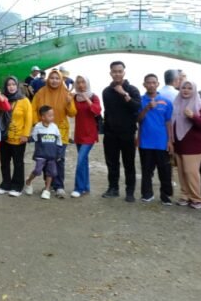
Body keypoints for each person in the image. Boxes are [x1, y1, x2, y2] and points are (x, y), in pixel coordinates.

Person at [31, 69, 76, 198]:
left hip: (60, 132)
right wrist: (37, 124)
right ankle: (48, 185)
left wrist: (69, 102)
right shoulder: (41, 92)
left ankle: (59, 186)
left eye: (57, 78)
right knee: (45, 158)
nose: (54, 81)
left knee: (59, 159)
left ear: (61, 80)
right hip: (44, 132)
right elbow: (33, 109)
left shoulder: (66, 93)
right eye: (52, 78)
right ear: (48, 79)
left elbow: (72, 113)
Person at [101, 61, 142, 202]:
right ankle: (113, 188)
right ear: (110, 73)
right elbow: (107, 112)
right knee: (112, 163)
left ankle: (130, 192)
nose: (117, 74)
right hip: (111, 134)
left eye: (120, 71)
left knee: (129, 163)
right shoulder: (106, 92)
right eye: (114, 71)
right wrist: (105, 129)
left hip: (127, 133)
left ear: (124, 72)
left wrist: (124, 94)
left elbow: (137, 107)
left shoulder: (133, 90)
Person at [172, 81, 201, 209]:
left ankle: (196, 198)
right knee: (181, 172)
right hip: (179, 143)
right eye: (184, 87)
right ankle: (185, 195)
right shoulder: (176, 103)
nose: (186, 90)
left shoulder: (200, 106)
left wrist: (193, 116)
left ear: (194, 90)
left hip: (194, 145)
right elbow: (172, 123)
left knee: (191, 172)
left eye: (189, 88)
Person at [137, 73, 174, 205]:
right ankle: (147, 194)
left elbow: (168, 122)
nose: (151, 85)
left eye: (154, 82)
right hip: (145, 142)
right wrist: (147, 108)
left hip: (161, 142)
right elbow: (138, 119)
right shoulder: (140, 101)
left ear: (158, 84)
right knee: (146, 170)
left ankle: (166, 195)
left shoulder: (166, 102)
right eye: (148, 82)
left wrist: (170, 141)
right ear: (144, 85)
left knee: (165, 170)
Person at [0, 76, 32, 196]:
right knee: (4, 162)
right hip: (4, 136)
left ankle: (17, 186)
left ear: (17, 85)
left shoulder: (24, 100)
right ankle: (5, 184)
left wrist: (25, 134)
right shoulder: (3, 99)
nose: (11, 87)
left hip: (18, 137)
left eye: (13, 84)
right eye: (9, 85)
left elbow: (29, 119)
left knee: (18, 162)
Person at [72, 75, 101, 198]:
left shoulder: (93, 96)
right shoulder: (74, 97)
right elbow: (70, 111)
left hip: (90, 134)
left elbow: (97, 111)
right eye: (78, 82)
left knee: (80, 160)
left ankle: (78, 188)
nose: (80, 85)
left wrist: (86, 98)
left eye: (83, 82)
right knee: (83, 161)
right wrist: (68, 99)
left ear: (87, 83)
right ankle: (86, 187)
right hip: (79, 133)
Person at [24, 105, 62, 199]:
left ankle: (47, 190)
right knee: (37, 170)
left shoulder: (55, 127)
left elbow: (59, 141)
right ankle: (28, 181)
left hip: (52, 155)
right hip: (41, 154)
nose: (52, 117)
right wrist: (26, 139)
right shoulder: (38, 126)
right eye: (50, 115)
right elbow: (34, 138)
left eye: (53, 115)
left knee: (50, 172)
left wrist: (59, 153)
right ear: (43, 117)